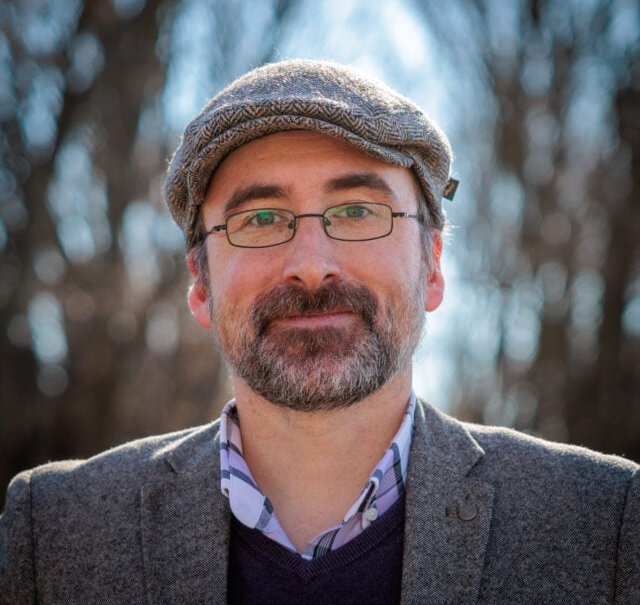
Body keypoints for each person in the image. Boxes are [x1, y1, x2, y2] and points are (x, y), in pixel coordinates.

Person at [1, 60, 638, 605]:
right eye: (260, 218)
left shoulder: (606, 524)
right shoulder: (53, 533)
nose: (310, 263)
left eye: (358, 211)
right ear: (200, 282)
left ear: (433, 267)